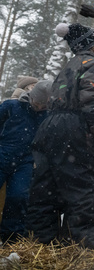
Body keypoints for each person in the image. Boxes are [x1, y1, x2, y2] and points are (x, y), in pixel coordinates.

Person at [27, 23, 94, 249]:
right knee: (84, 186)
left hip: (49, 127)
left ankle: (43, 243)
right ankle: (88, 243)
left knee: (46, 188)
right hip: (74, 128)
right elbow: (93, 102)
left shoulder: (69, 65)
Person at [0, 80, 51, 242]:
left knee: (19, 197)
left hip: (25, 162)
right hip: (2, 154)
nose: (39, 107)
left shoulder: (47, 116)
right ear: (31, 96)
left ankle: (11, 238)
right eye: (37, 103)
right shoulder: (11, 106)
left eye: (44, 104)